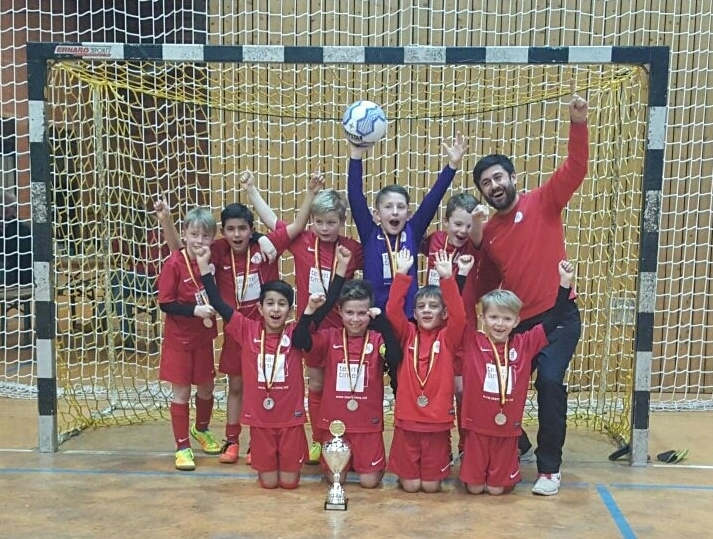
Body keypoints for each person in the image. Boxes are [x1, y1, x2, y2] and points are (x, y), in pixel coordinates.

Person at [469, 86, 589, 495]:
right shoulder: (489, 233)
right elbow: (485, 284)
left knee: (549, 382)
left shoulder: (543, 201)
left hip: (559, 317)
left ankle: (549, 469)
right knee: (495, 382)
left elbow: (575, 168)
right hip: (519, 326)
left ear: (513, 178)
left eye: (498, 177)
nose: (494, 185)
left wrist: (578, 124)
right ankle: (512, 443)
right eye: (486, 183)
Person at [155, 174, 320, 465]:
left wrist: (309, 194)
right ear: (223, 233)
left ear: (251, 230)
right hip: (236, 330)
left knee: (267, 386)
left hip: (267, 332)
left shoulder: (264, 246)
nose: (237, 234)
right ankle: (232, 440)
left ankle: (259, 442)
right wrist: (166, 220)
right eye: (230, 229)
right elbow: (181, 251)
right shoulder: (218, 250)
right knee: (236, 387)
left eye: (243, 229)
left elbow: (295, 227)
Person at [196, 243, 353, 489]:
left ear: (290, 310)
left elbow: (326, 305)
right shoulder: (246, 330)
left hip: (291, 422)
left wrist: (341, 268)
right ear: (260, 308)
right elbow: (217, 302)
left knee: (290, 483)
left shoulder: (296, 333)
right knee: (268, 483)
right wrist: (203, 266)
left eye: (282, 304)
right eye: (270, 303)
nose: (276, 309)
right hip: (261, 421)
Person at [240, 170, 364, 463]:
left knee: (343, 387)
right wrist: (252, 191)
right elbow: (273, 222)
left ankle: (344, 439)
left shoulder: (352, 249)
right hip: (313, 330)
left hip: (344, 331)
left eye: (331, 222)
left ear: (342, 222)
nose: (325, 228)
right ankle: (319, 440)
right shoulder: (302, 240)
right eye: (319, 222)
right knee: (317, 385)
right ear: (311, 221)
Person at [458, 260, 576, 495]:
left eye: (506, 319)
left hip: (507, 432)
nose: (499, 324)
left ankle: (513, 458)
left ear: (516, 322)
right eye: (493, 317)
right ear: (483, 318)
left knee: (496, 490)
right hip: (477, 430)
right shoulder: (473, 342)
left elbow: (554, 319)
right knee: (474, 488)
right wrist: (461, 275)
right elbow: (457, 312)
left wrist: (564, 283)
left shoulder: (525, 344)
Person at [293, 279, 401, 488]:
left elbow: (395, 357)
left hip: (367, 425)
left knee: (369, 482)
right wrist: (310, 310)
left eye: (362, 313)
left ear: (370, 313)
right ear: (340, 312)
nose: (355, 319)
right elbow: (299, 340)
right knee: (335, 478)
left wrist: (384, 323)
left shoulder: (377, 339)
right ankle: (349, 459)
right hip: (335, 425)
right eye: (349, 312)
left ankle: (358, 459)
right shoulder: (329, 338)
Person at [347, 133, 467, 314]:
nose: (395, 212)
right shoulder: (369, 233)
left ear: (408, 214)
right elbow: (355, 197)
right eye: (388, 207)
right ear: (377, 215)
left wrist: (452, 166)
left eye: (401, 207)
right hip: (374, 315)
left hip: (408, 316)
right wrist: (355, 156)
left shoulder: (412, 231)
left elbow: (432, 200)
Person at [385, 249, 466, 493]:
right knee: (411, 486)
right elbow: (392, 311)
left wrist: (447, 279)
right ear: (415, 313)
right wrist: (401, 275)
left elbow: (460, 317)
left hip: (436, 421)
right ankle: (407, 472)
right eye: (421, 306)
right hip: (408, 420)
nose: (427, 310)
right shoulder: (407, 334)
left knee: (430, 487)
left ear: (444, 313)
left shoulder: (448, 338)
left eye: (433, 306)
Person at [156, 207, 219, 471]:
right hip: (179, 341)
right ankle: (182, 447)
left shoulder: (212, 259)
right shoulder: (173, 263)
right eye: (194, 234)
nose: (199, 240)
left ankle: (201, 429)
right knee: (181, 392)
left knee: (207, 387)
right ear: (185, 234)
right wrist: (195, 310)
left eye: (205, 236)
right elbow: (165, 303)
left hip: (203, 337)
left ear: (212, 238)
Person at [1, 190, 31, 286]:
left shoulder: (21, 229)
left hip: (16, 277)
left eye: (16, 207)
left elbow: (25, 258)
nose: (16, 210)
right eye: (13, 207)